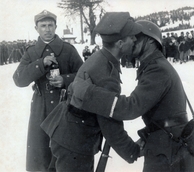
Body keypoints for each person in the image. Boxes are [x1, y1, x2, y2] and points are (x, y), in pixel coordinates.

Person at [75, 20, 194, 172]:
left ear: (151, 41)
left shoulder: (157, 69)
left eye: (137, 37)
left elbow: (130, 108)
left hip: (170, 147)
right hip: (168, 143)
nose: (132, 40)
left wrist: (87, 93)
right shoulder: (155, 66)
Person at [40, 12, 142, 172]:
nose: (135, 40)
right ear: (120, 43)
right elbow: (110, 123)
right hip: (75, 144)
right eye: (132, 37)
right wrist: (132, 151)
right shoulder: (106, 73)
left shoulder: (100, 57)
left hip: (66, 136)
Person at [12, 10, 83, 171]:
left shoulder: (68, 49)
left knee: (65, 151)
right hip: (40, 108)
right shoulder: (31, 52)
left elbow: (84, 75)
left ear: (56, 26)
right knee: (40, 153)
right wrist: (40, 63)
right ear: (36, 28)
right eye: (43, 25)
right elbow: (18, 79)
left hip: (65, 107)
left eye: (50, 25)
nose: (47, 29)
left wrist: (65, 80)